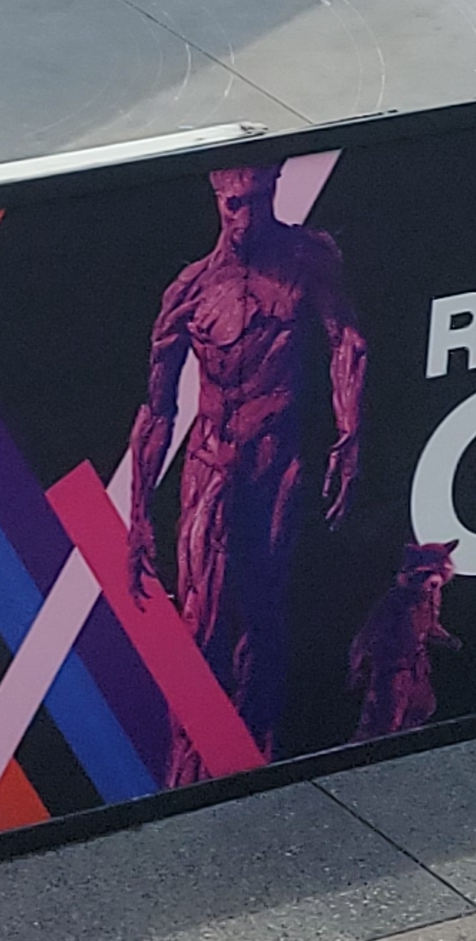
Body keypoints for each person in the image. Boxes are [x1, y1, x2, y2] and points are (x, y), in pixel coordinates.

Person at [123, 161, 369, 779]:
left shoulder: (306, 259)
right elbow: (157, 409)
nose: (245, 215)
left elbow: (347, 342)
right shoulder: (191, 289)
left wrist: (349, 433)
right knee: (199, 619)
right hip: (211, 466)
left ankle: (255, 755)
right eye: (234, 203)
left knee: (263, 615)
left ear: (273, 190)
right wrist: (138, 514)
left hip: (276, 459)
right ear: (218, 201)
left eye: (256, 199)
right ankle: (187, 767)